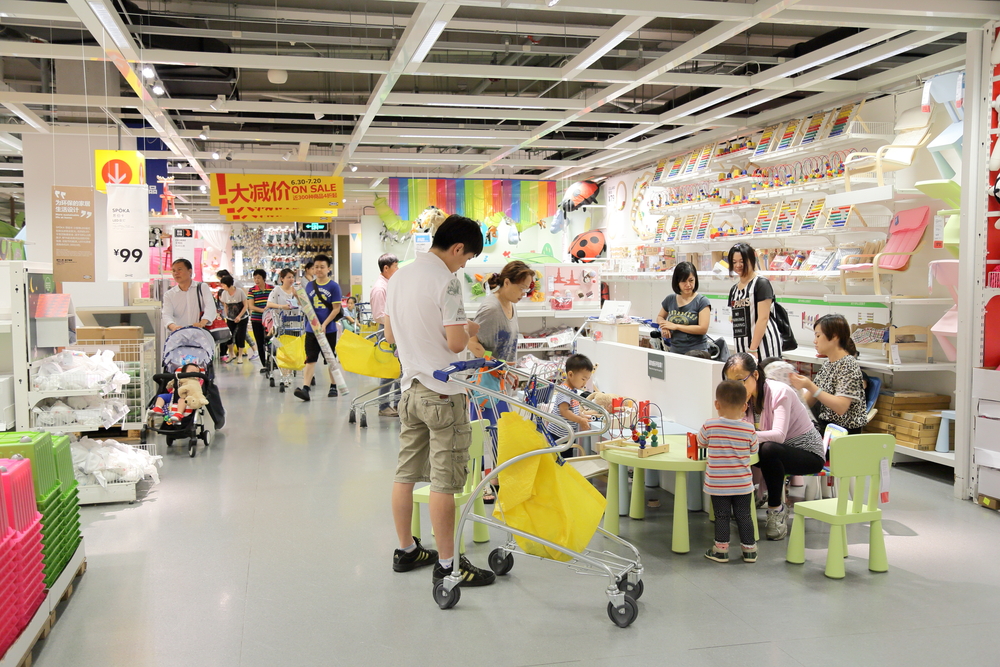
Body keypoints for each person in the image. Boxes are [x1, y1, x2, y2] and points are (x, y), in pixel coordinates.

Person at [383, 214, 495, 588]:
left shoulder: (398, 277)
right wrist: (468, 328)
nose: (464, 265)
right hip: (443, 393)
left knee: (406, 474)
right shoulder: (446, 281)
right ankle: (449, 565)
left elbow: (390, 332)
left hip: (410, 388)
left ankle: (406, 549)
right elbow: (456, 344)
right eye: (466, 258)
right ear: (458, 247)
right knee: (444, 482)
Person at [722, 352, 824, 540]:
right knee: (747, 446)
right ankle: (742, 499)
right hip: (777, 451)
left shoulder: (780, 391)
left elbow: (778, 435)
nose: (736, 388)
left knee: (767, 449)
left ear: (755, 375)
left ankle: (776, 510)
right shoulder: (745, 398)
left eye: (740, 380)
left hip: (808, 453)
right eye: (731, 383)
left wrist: (739, 432)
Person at [161, 258, 225, 429]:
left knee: (205, 379)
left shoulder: (200, 287)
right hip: (178, 340)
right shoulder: (170, 294)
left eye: (180, 269)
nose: (176, 273)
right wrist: (173, 326)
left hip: (199, 339)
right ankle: (167, 416)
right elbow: (166, 315)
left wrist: (203, 322)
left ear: (190, 271)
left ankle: (218, 417)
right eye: (174, 270)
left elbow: (210, 307)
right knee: (171, 379)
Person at [701, 380, 759, 564]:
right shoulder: (749, 428)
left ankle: (721, 550)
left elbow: (700, 442)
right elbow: (754, 450)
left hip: (718, 483)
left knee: (722, 516)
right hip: (742, 483)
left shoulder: (710, 425)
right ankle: (749, 550)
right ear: (744, 406)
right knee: (744, 515)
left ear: (716, 404)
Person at [789, 314, 869, 436]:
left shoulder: (848, 365)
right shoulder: (828, 364)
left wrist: (810, 385)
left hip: (843, 435)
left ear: (835, 336)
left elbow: (841, 407)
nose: (815, 341)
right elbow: (808, 402)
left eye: (818, 335)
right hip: (826, 430)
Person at [294, 255, 342, 401]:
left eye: (322, 267)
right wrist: (297, 297)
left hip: (329, 329)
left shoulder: (334, 286)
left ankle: (333, 386)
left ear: (329, 268)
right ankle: (305, 388)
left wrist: (325, 324)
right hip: (311, 329)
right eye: (316, 267)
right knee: (310, 358)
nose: (319, 269)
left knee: (330, 358)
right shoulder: (309, 285)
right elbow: (306, 306)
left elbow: (336, 309)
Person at [727, 243, 783, 360]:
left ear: (751, 260)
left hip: (762, 344)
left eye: (742, 261)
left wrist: (753, 348)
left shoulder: (761, 283)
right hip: (743, 346)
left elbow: (763, 318)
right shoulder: (734, 290)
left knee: (764, 377)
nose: (738, 265)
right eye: (734, 262)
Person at [655, 261, 711, 355]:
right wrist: (664, 327)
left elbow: (703, 329)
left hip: (697, 353)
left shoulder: (702, 301)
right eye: (683, 281)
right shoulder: (670, 299)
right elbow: (660, 317)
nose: (688, 285)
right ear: (677, 282)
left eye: (691, 280)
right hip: (675, 351)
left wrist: (676, 326)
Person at [370, 253, 400, 417]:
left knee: (398, 370)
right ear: (386, 268)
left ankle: (397, 403)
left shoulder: (390, 284)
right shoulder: (380, 288)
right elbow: (379, 315)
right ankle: (383, 406)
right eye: (395, 266)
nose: (398, 269)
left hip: (394, 329)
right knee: (388, 370)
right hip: (385, 331)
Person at [545, 354, 595, 447]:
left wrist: (581, 415)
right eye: (583, 379)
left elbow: (572, 409)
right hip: (557, 434)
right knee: (560, 458)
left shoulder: (573, 390)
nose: (585, 383)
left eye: (587, 380)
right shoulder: (565, 391)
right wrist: (580, 420)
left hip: (566, 434)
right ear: (570, 374)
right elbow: (564, 411)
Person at [219, 275, 250, 363]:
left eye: (223, 284)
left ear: (228, 284)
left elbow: (245, 305)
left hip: (242, 317)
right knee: (228, 335)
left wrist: (239, 316)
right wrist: (226, 316)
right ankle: (231, 354)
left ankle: (240, 355)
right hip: (230, 317)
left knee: (240, 336)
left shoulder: (239, 292)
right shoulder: (224, 293)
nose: (222, 286)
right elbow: (225, 305)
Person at [248, 269, 272, 373]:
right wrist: (263, 310)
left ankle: (271, 361)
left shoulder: (271, 289)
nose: (256, 280)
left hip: (270, 320)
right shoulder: (252, 290)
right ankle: (264, 364)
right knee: (259, 342)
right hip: (256, 319)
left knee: (271, 341)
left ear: (264, 278)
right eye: (255, 278)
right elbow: (251, 306)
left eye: (258, 278)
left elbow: (274, 301)